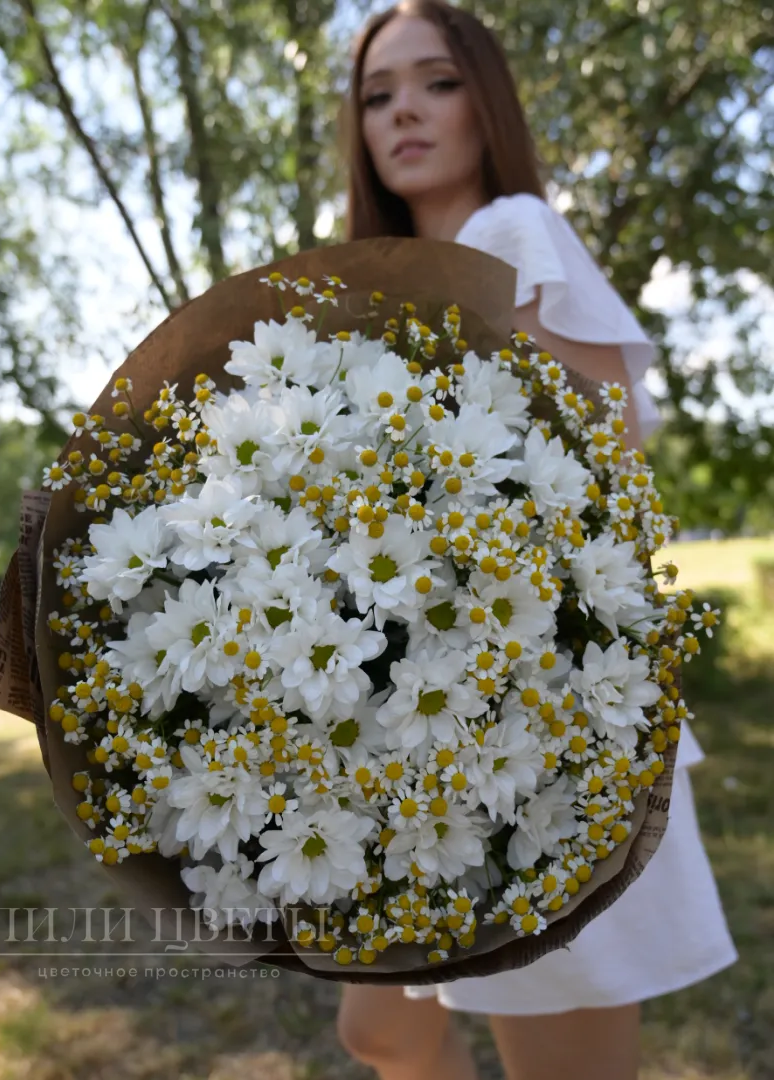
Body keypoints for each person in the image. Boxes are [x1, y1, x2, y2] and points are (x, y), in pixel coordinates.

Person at [336, 4, 738, 1079]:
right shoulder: (385, 288)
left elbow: (610, 436)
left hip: (534, 707)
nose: (405, 111)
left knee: (554, 1046)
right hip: (416, 701)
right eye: (379, 95)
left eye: (437, 83)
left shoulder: (509, 231)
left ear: (487, 105)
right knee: (383, 1029)